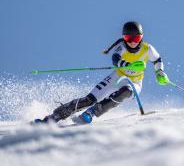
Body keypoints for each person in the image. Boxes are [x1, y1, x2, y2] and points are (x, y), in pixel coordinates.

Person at [34, 21, 169, 124]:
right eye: (129, 39)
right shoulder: (121, 46)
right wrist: (128, 65)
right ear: (124, 38)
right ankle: (53, 117)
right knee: (89, 99)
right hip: (117, 77)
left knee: (126, 92)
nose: (133, 43)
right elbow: (115, 59)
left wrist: (160, 72)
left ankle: (92, 112)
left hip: (135, 82)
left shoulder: (147, 48)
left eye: (136, 39)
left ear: (142, 37)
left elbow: (157, 60)